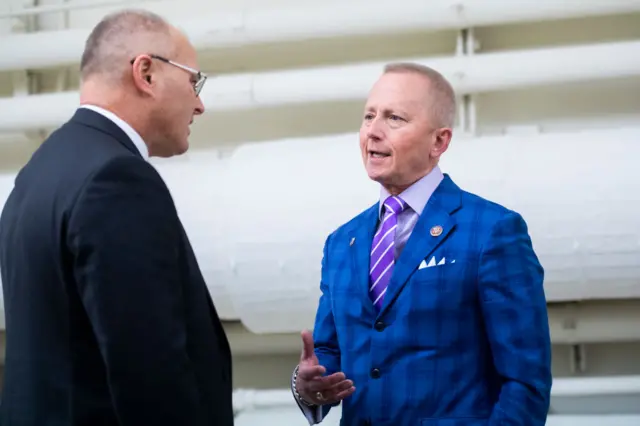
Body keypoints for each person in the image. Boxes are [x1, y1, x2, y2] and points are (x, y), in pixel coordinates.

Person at [0, 10, 233, 426]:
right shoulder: (117, 180)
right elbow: (149, 372)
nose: (199, 104)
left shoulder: (38, 174)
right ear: (146, 72)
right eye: (194, 81)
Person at [291, 63, 552, 425]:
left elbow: (525, 382)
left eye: (394, 118)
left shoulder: (492, 231)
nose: (373, 131)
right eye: (369, 116)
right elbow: (329, 353)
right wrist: (308, 386)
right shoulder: (340, 243)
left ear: (439, 141)